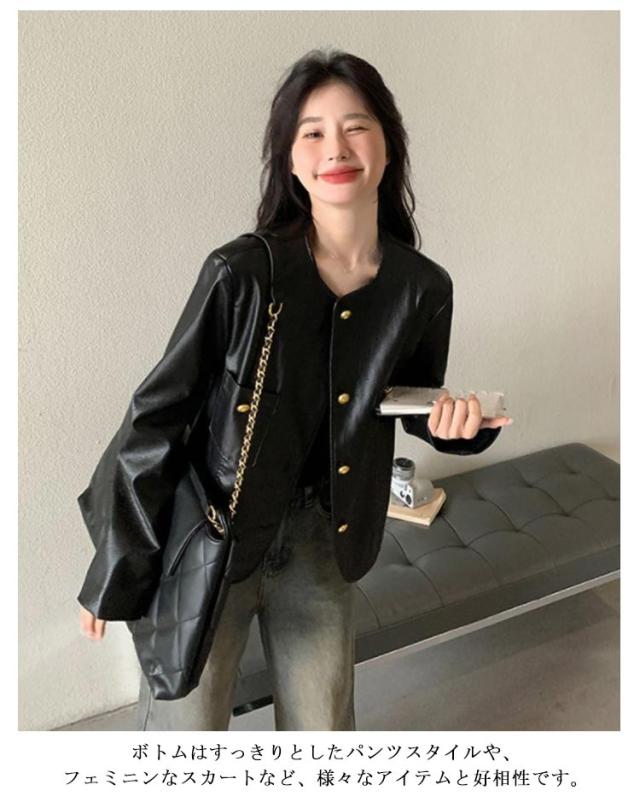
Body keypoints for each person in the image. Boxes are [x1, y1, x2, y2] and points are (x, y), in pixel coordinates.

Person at [78, 48, 512, 731]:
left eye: (356, 126)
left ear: (388, 145)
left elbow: (409, 400)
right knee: (182, 737)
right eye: (312, 132)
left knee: (323, 735)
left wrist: (460, 427)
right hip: (214, 536)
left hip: (324, 544)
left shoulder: (421, 288)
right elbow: (156, 417)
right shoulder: (242, 274)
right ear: (289, 158)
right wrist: (118, 564)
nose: (335, 147)